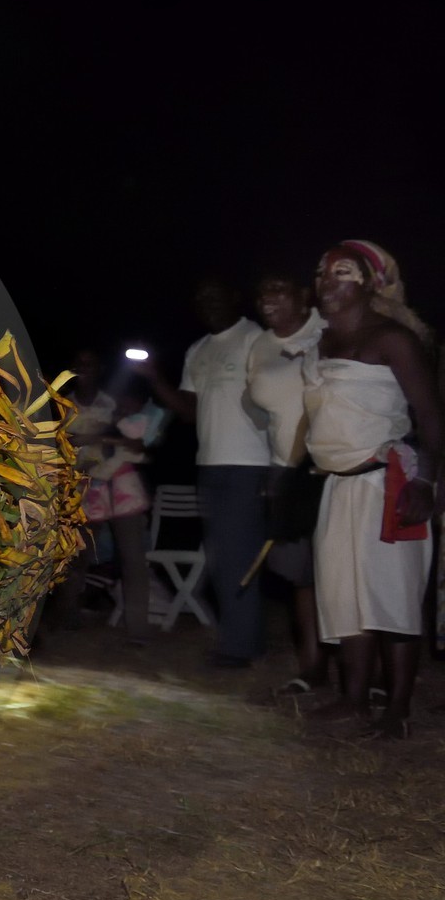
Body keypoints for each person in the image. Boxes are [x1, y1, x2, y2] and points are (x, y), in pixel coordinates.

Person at [301, 241, 443, 739]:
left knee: (392, 598)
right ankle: (353, 700)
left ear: (372, 284)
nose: (326, 281)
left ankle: (397, 711)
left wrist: (426, 481)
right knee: (345, 597)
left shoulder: (392, 340)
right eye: (321, 272)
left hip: (389, 483)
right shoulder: (321, 343)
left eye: (342, 272)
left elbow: (430, 416)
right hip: (338, 489)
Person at [136, 277, 273, 668]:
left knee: (240, 556)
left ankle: (240, 647)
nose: (208, 304)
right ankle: (243, 640)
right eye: (200, 299)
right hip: (209, 462)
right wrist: (155, 378)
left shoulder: (255, 338)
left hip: (250, 462)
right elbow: (189, 411)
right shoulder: (198, 349)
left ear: (235, 295)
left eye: (215, 295)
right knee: (221, 557)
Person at [243, 271, 333, 695]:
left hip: (329, 465)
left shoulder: (326, 328)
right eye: (262, 290)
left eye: (277, 288)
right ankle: (312, 667)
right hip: (283, 468)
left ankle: (363, 674)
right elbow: (266, 410)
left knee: (341, 571)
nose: (266, 298)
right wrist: (274, 468)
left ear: (303, 296)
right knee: (300, 576)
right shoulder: (260, 344)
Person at [50, 349, 157, 643]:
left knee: (133, 559)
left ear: (101, 368)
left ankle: (139, 630)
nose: (84, 368)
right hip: (80, 489)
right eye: (80, 363)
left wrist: (96, 439)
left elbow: (140, 444)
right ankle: (66, 618)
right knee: (73, 558)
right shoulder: (62, 405)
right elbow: (53, 444)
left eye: (90, 363)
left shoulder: (115, 402)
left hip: (120, 485)